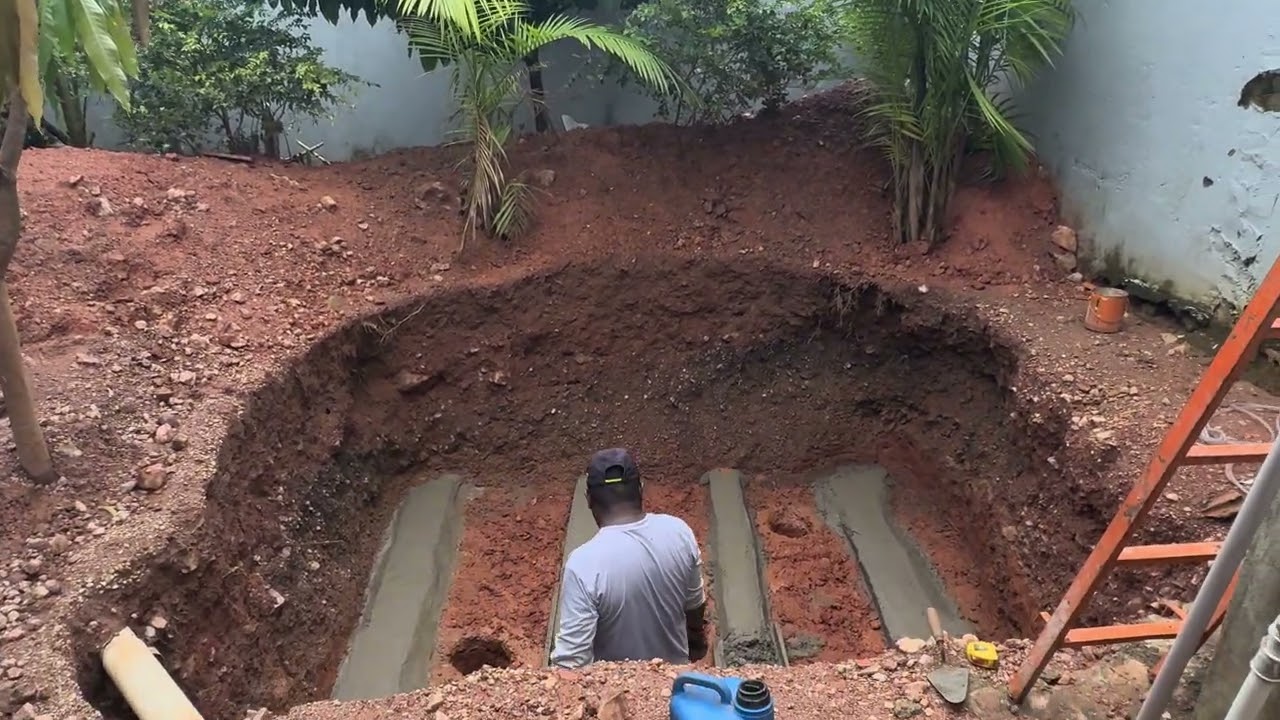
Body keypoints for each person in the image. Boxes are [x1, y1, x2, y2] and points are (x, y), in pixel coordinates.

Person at [550, 448, 709, 668]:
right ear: (641, 488)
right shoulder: (679, 532)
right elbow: (694, 607)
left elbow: (571, 662)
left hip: (616, 689)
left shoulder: (583, 564)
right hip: (676, 683)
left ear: (589, 499)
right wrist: (696, 644)